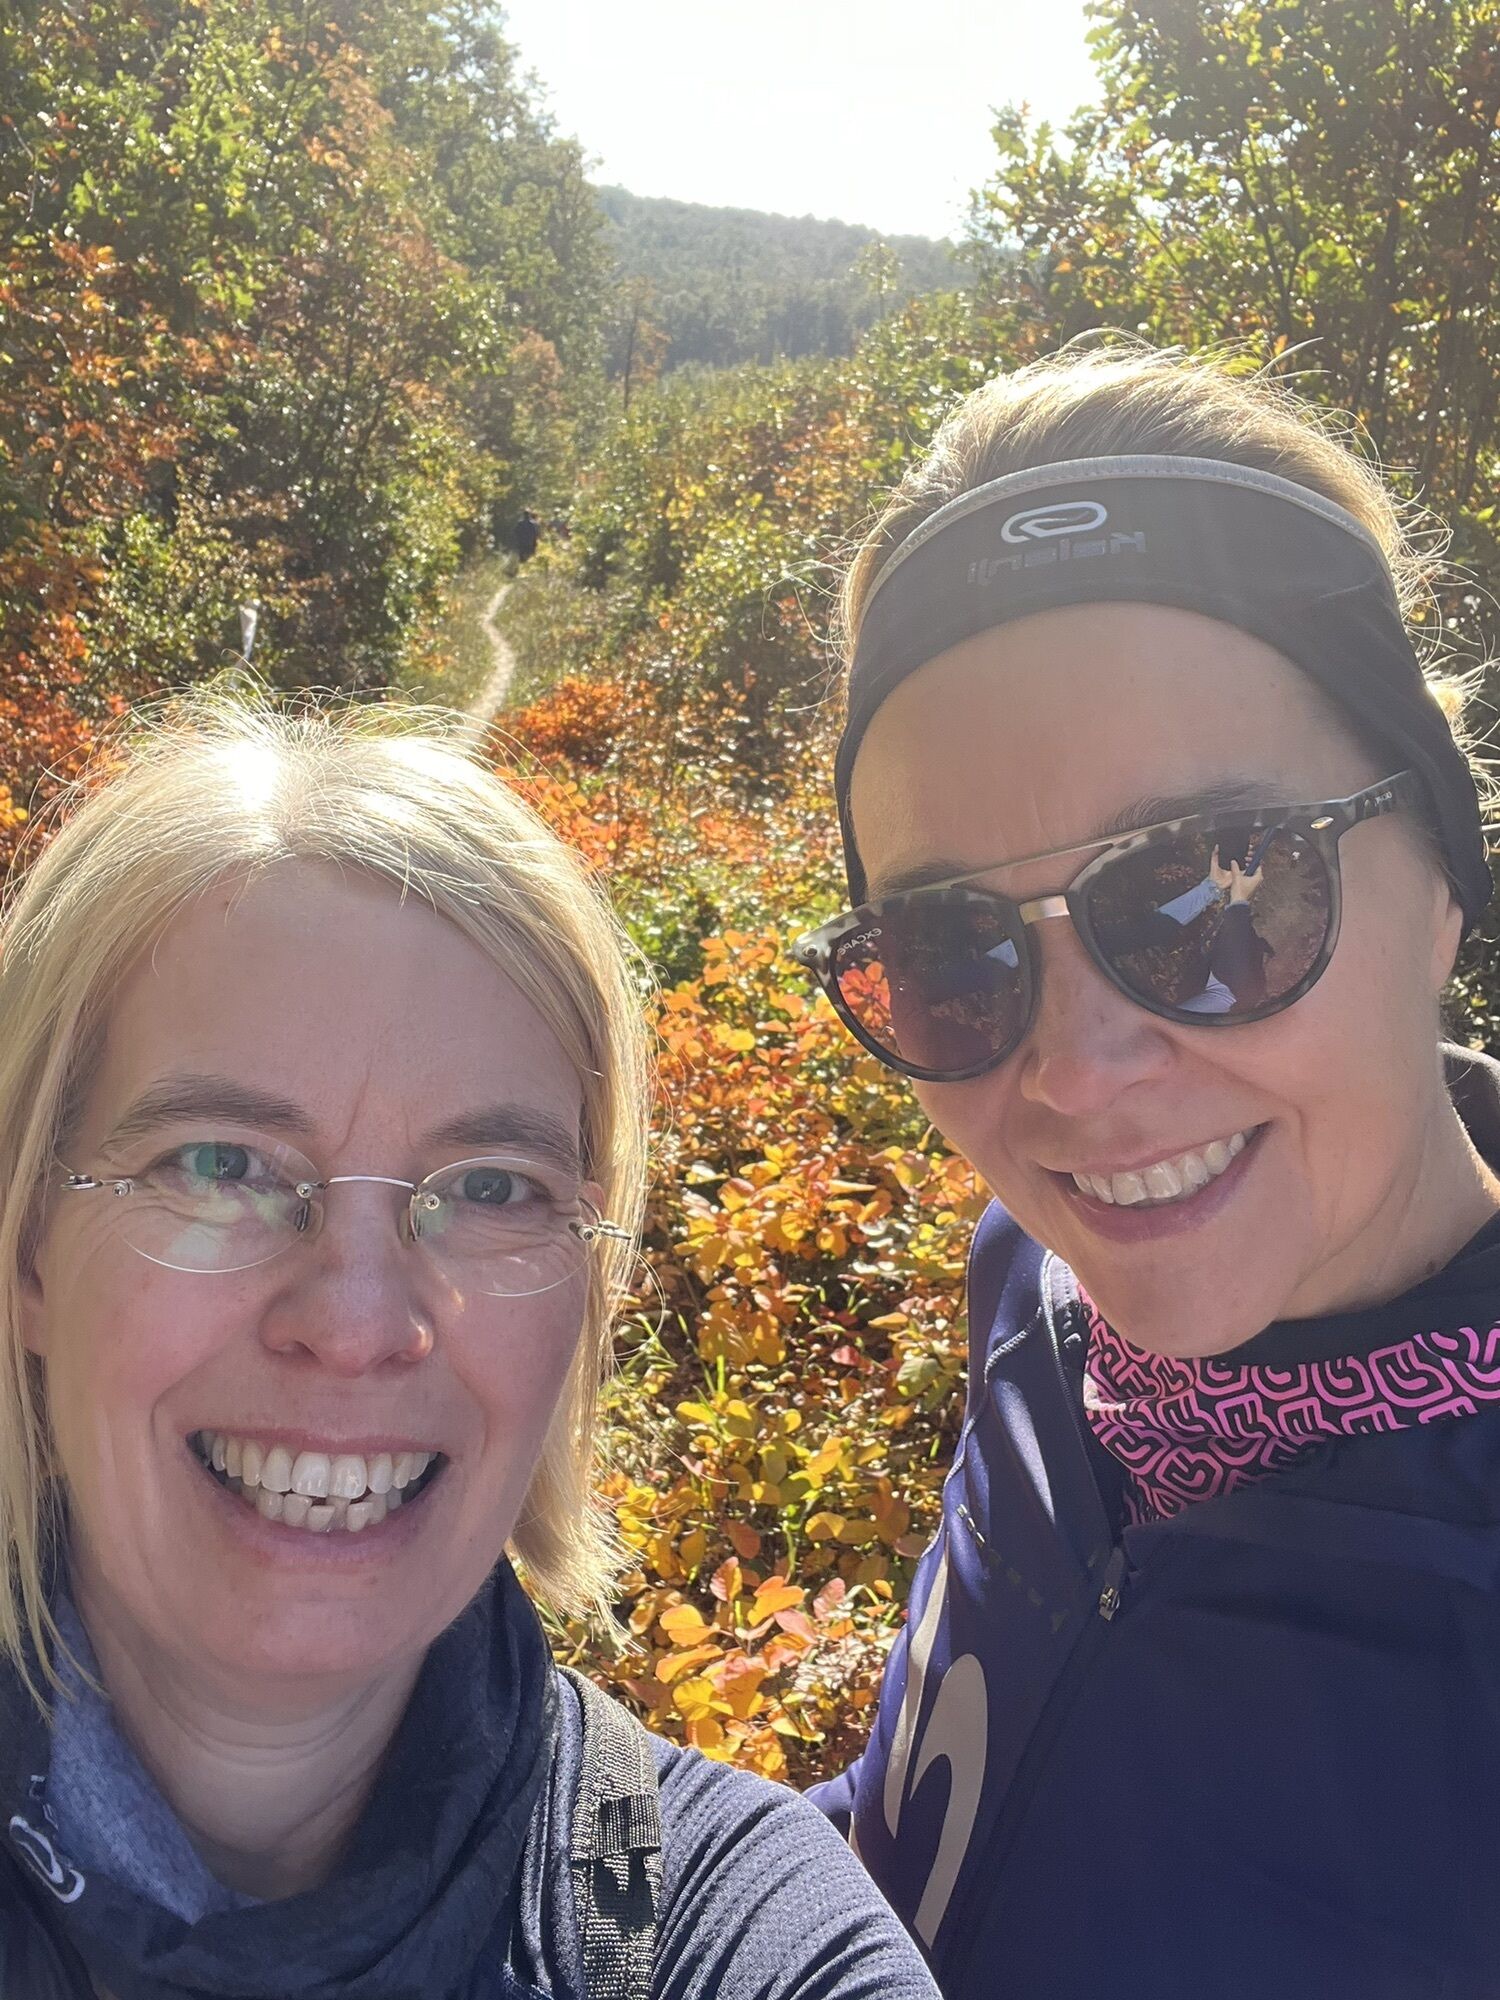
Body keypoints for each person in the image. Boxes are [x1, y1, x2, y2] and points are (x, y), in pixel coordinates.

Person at [0, 690, 941, 2000]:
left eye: (491, 1188)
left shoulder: (732, 1933)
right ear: (29, 1248)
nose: (357, 1324)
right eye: (222, 1165)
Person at [795, 342, 1500, 1999]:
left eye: (1214, 892)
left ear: (1444, 881)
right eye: (951, 951)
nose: (1076, 1074)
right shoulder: (1043, 1289)